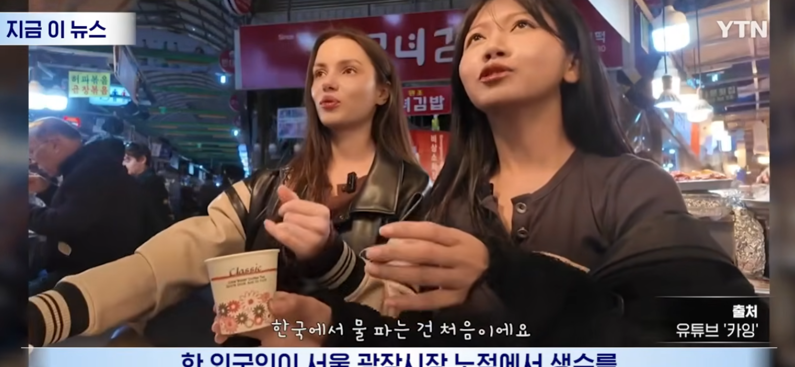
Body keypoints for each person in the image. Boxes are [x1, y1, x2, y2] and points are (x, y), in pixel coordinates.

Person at [219, 0, 754, 348]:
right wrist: (327, 325)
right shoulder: (444, 207)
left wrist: (505, 276)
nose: (492, 45)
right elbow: (418, 351)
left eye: (521, 25)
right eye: (475, 39)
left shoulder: (632, 189)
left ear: (573, 63)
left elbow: (721, 342)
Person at [28, 28, 430, 348]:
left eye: (348, 71)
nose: (327, 83)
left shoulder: (416, 193)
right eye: (319, 73)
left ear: (383, 91)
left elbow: (411, 318)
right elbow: (172, 259)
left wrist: (332, 262)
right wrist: (63, 308)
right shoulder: (268, 186)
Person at [27, 118, 150, 297]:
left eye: (32, 151)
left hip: (90, 281)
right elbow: (80, 208)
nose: (33, 161)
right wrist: (46, 189)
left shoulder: (94, 170)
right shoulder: (92, 166)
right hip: (92, 272)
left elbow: (65, 224)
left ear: (54, 145)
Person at [122, 142, 174, 232]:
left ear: (142, 159)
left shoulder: (146, 184)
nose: (124, 164)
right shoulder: (151, 180)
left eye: (128, 160)